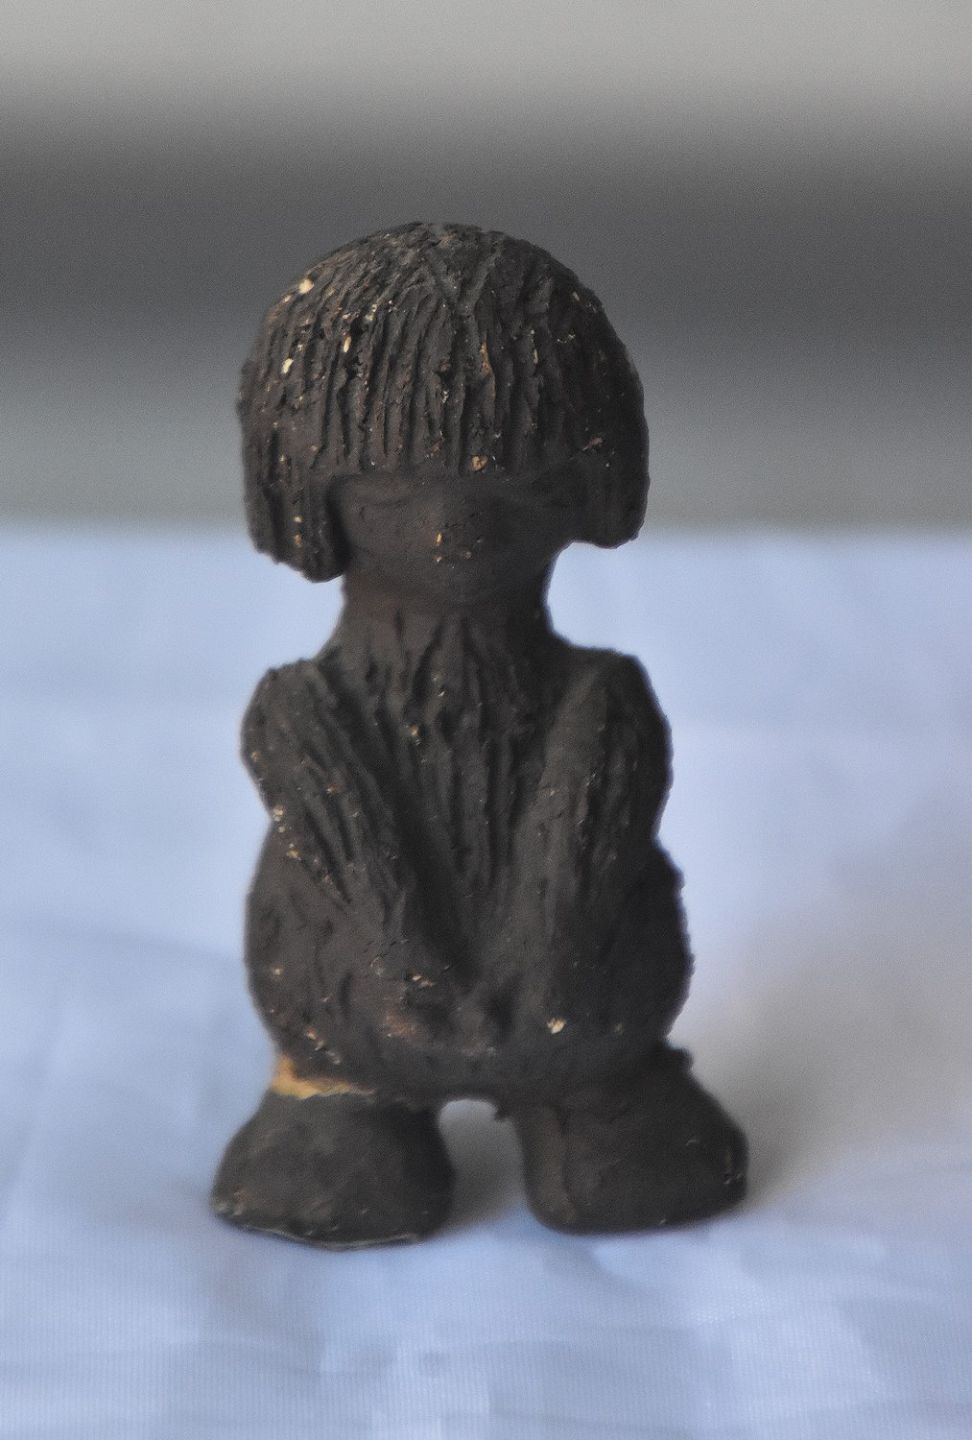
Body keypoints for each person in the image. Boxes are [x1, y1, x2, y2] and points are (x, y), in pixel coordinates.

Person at [212, 223, 747, 1246]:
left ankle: (596, 1095)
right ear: (309, 494)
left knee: (623, 1150)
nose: (456, 529)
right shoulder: (302, 710)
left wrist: (549, 962)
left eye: (517, 488)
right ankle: (345, 1102)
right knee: (340, 1162)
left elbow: (587, 841)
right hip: (360, 1013)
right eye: (389, 493)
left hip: (585, 1010)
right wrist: (404, 962)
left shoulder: (602, 699)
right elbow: (349, 846)